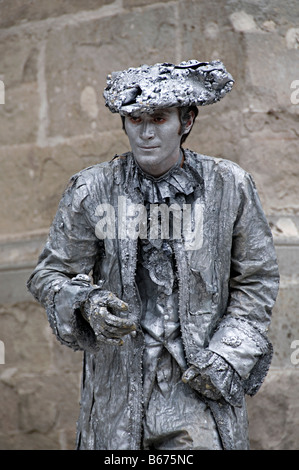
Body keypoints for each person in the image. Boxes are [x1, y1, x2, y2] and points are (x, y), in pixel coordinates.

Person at [27, 60, 279, 450]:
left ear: (187, 121)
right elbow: (50, 274)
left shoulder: (230, 185)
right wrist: (87, 303)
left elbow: (257, 278)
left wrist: (228, 355)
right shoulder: (92, 189)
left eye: (159, 119)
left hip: (196, 387)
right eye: (135, 119)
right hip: (117, 388)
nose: (146, 133)